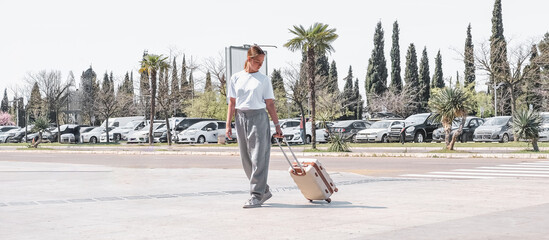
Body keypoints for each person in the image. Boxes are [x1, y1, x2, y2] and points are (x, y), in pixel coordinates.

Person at [225, 45, 283, 208]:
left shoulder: (264, 80)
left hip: (259, 117)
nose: (260, 65)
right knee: (246, 159)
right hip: (240, 118)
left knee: (259, 157)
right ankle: (263, 189)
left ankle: (256, 195)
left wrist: (277, 125)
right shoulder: (236, 78)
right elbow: (232, 102)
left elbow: (270, 104)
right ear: (249, 60)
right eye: (257, 61)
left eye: (262, 62)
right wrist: (228, 124)